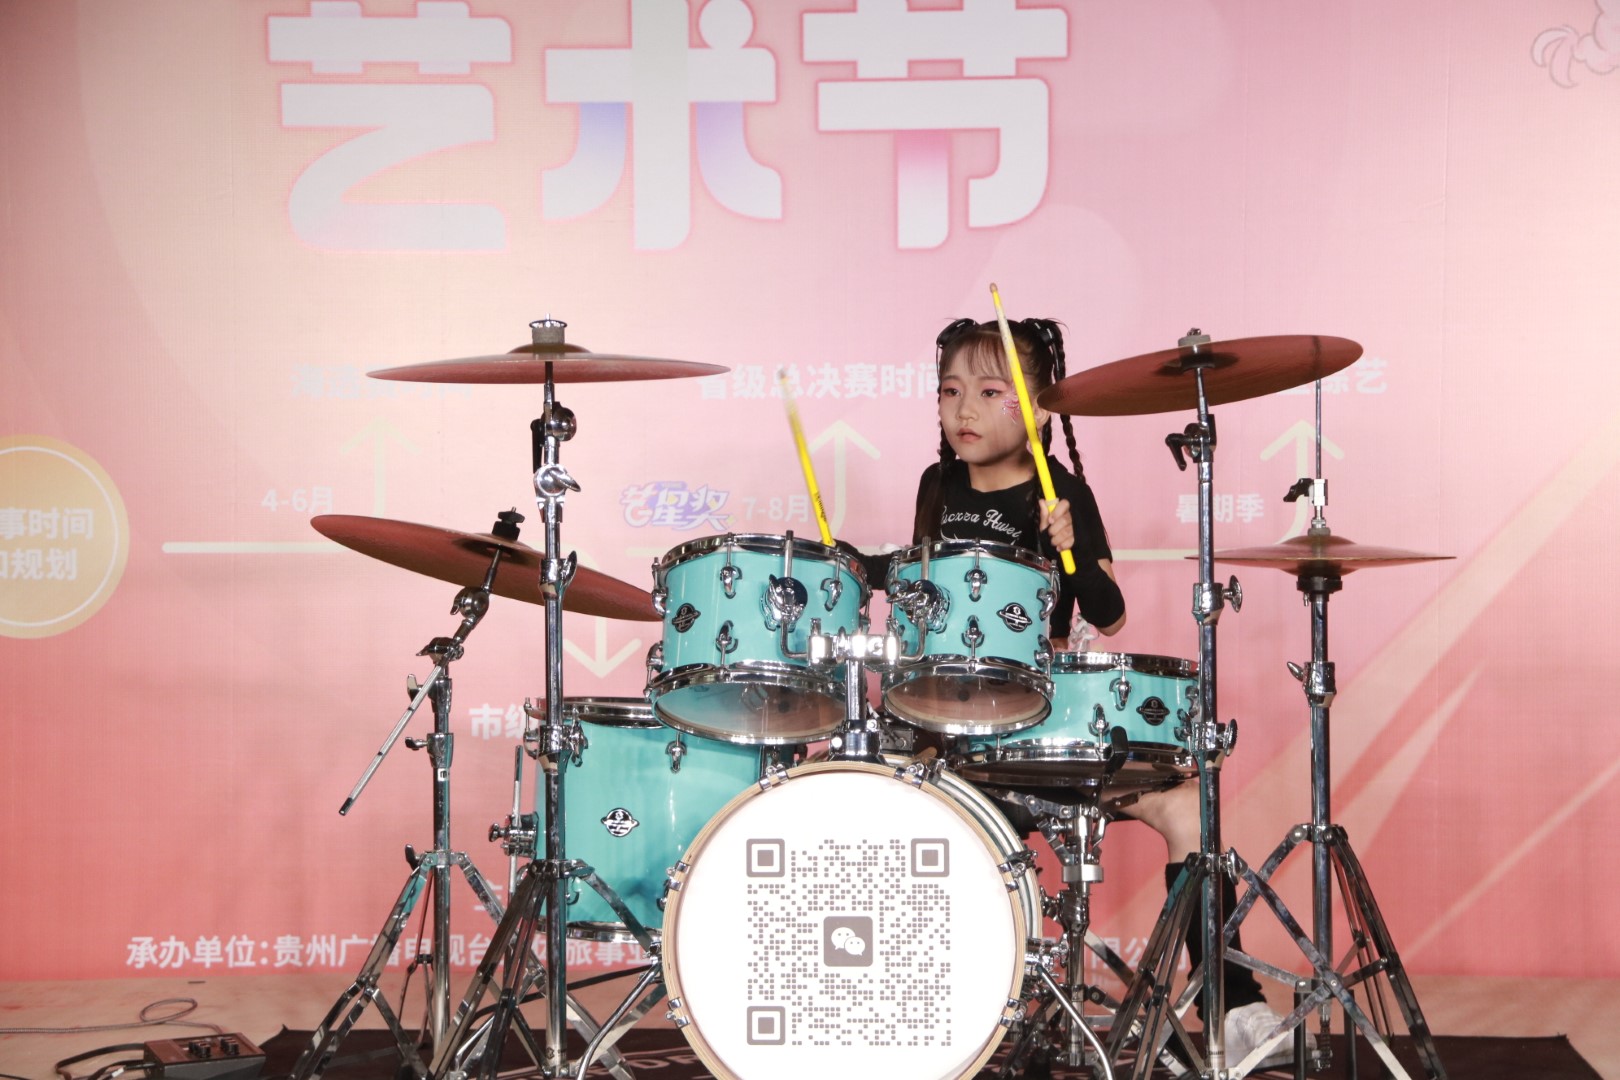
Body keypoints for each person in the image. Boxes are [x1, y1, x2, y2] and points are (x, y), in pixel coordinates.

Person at [877, 315, 1299, 1072]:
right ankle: (929, 1008)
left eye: (990, 392)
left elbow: (1109, 614)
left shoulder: (1064, 493)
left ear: (1040, 409)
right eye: (950, 391)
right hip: (958, 735)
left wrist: (1069, 549)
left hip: (1042, 726)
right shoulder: (935, 486)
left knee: (1187, 805)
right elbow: (920, 595)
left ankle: (1232, 1008)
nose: (964, 409)